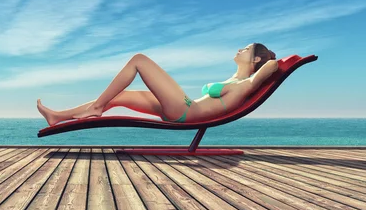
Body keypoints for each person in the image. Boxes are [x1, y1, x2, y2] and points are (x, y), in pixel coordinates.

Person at [37, 42, 278, 126]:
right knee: (119, 96)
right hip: (184, 106)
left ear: (256, 59)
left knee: (139, 60)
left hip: (185, 110)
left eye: (246, 49)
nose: (239, 49)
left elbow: (272, 67)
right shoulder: (233, 79)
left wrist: (272, 60)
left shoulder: (246, 83)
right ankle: (58, 117)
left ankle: (96, 107)